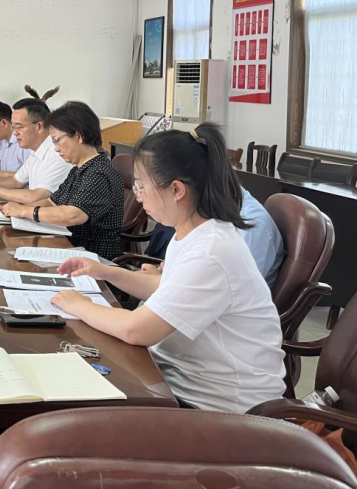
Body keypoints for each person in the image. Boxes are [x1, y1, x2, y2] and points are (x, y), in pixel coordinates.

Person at [52, 123, 286, 412]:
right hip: (176, 381)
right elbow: (165, 286)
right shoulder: (192, 232)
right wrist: (103, 270)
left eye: (141, 185)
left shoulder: (211, 251)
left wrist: (79, 305)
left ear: (176, 189)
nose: (137, 195)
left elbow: (137, 330)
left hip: (221, 409)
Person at [0, 101, 123, 260]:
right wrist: (10, 210)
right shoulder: (79, 169)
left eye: (57, 140)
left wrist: (25, 211)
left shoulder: (99, 172)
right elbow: (52, 201)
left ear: (78, 136)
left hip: (93, 259)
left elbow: (73, 215)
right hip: (69, 250)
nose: (56, 148)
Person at [144, 187, 285, 288]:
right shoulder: (208, 209)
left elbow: (224, 292)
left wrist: (162, 281)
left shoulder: (251, 227)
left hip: (213, 315)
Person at [0, 98, 72, 202]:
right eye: (13, 127)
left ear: (39, 126)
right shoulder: (35, 151)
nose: (14, 133)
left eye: (19, 127)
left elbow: (38, 196)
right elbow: (16, 181)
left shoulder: (57, 153)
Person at [0, 100, 32, 175]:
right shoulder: (4, 142)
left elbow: (30, 176)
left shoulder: (24, 144)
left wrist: (4, 174)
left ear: (4, 123)